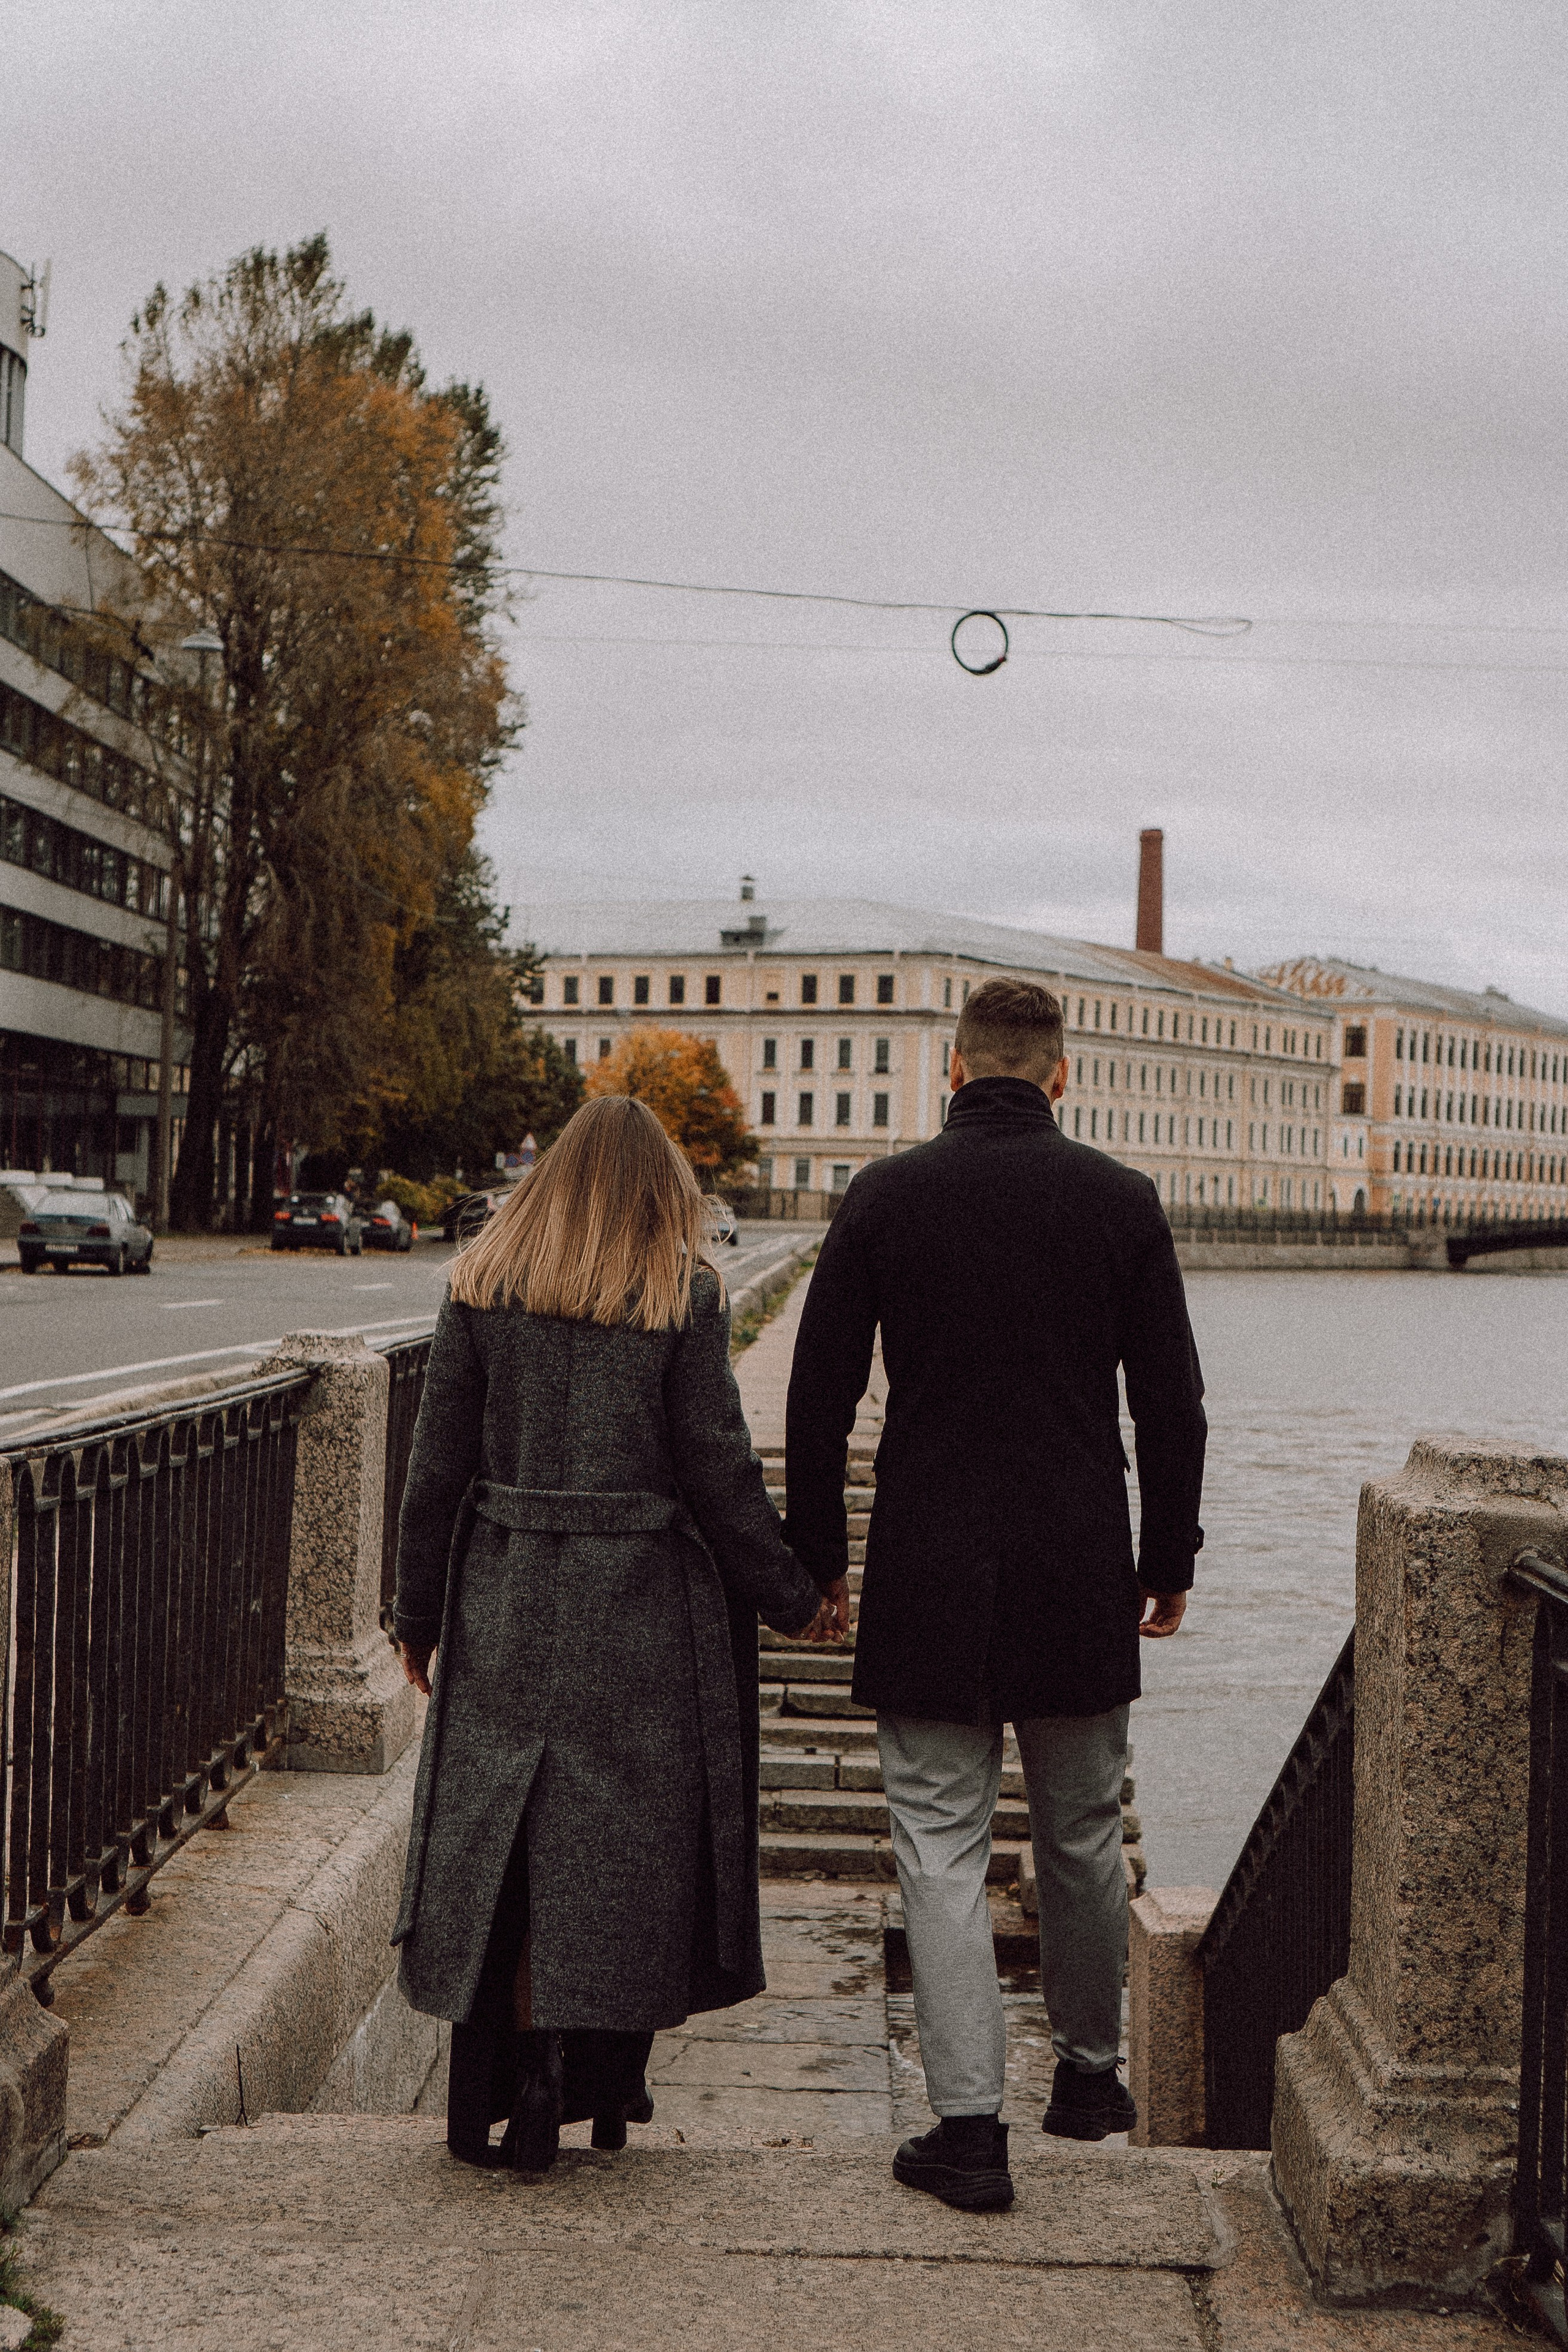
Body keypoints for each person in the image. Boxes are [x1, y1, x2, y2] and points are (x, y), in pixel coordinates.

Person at [784, 976, 1206, 2212]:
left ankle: (966, 2129)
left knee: (938, 1838)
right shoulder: (1120, 1203)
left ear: (951, 1070)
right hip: (1079, 1561)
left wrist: (819, 1559)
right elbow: (1168, 1403)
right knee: (1079, 1831)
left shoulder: (884, 1195)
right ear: (1061, 1076)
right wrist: (1165, 1558)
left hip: (928, 1560)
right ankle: (1087, 2078)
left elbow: (816, 1398)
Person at [390, 1095, 834, 2173]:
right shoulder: (678, 1299)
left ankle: (498, 2085)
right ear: (661, 1192)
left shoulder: (482, 1288)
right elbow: (719, 1475)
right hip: (640, 1606)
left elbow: (433, 1472)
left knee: (503, 1835)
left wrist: (414, 1614)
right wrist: (795, 1596)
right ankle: (588, 2080)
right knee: (618, 1853)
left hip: (503, 1590)